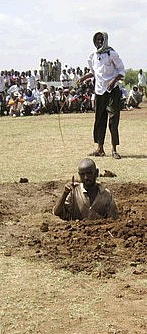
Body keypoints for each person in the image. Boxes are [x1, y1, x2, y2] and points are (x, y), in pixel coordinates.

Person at [77, 31, 125, 159]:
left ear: (106, 40)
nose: (99, 42)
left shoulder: (112, 54)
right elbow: (94, 73)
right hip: (99, 92)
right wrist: (82, 78)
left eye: (101, 40)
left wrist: (113, 81)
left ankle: (114, 149)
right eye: (97, 40)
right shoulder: (92, 56)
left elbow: (121, 72)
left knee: (113, 120)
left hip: (112, 91)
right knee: (99, 120)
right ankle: (100, 148)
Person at [53, 158, 118, 220]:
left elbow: (114, 219)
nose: (86, 177)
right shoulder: (74, 192)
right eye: (82, 174)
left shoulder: (106, 194)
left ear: (96, 173)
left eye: (89, 173)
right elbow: (57, 212)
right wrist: (65, 193)